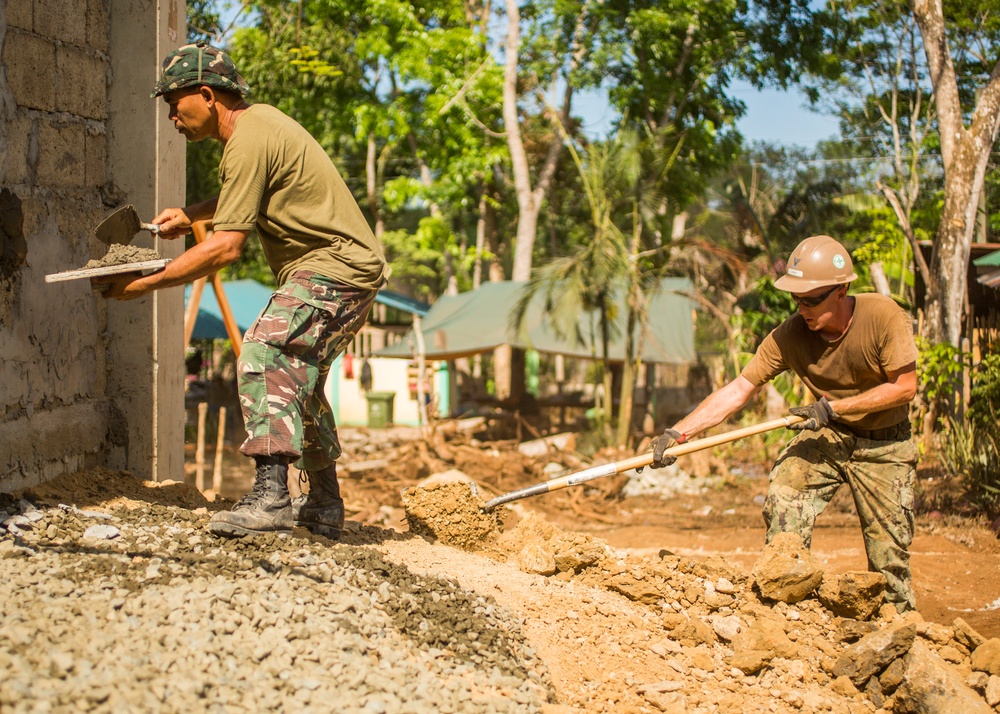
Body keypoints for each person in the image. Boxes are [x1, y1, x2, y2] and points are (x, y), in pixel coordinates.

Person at [94, 42, 387, 540]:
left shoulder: (248, 138)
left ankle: (272, 497)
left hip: (334, 269)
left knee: (263, 349)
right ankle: (323, 503)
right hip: (348, 271)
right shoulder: (258, 128)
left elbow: (226, 248)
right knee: (299, 378)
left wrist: (143, 284)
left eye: (173, 103)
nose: (170, 116)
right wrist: (190, 215)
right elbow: (242, 197)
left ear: (207, 95)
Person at [645, 235, 919, 612]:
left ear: (841, 291)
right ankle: (788, 603)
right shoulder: (789, 336)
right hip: (831, 435)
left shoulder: (882, 316)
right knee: (785, 494)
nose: (802, 308)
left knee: (889, 559)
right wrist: (679, 432)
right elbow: (740, 388)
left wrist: (835, 407)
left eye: (811, 299)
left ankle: (898, 629)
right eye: (796, 298)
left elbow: (905, 388)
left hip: (885, 444)